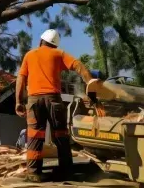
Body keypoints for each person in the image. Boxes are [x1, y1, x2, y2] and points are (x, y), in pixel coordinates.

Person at [15, 29, 95, 183]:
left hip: (34, 101)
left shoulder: (30, 55)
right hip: (54, 99)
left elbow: (21, 78)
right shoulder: (59, 54)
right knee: (60, 136)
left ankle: (33, 173)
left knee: (34, 137)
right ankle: (66, 172)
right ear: (55, 44)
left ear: (40, 41)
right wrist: (91, 86)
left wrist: (18, 102)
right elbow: (79, 66)